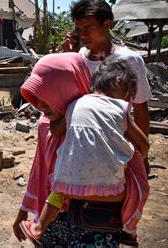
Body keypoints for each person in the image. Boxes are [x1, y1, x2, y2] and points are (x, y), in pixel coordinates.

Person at [13, 53, 149, 247]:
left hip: (86, 214)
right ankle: (130, 230)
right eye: (37, 97)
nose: (40, 103)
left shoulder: (76, 109)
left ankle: (40, 226)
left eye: (48, 94)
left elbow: (56, 134)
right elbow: (38, 170)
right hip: (82, 214)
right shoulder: (118, 113)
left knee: (60, 187)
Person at [61, 0, 152, 174]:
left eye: (88, 28)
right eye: (79, 30)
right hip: (79, 145)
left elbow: (140, 109)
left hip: (116, 147)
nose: (83, 35)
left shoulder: (130, 60)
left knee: (114, 196)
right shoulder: (77, 57)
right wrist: (67, 58)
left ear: (107, 24)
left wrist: (143, 156)